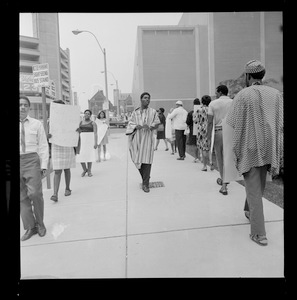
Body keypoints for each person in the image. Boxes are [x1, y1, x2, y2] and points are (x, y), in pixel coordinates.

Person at [225, 60, 283, 246]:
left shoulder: (243, 95)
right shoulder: (276, 94)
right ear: (262, 75)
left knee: (254, 190)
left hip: (250, 147)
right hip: (269, 146)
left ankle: (259, 234)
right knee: (258, 185)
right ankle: (249, 211)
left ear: (248, 76)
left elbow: (232, 122)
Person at [20, 95, 49, 241]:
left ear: (29, 107)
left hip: (32, 160)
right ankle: (30, 227)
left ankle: (40, 224)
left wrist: (44, 165)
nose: (22, 107)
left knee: (36, 194)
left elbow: (43, 145)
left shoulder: (36, 124)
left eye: (25, 105)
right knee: (22, 198)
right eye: (20, 105)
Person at [126, 92, 160, 193]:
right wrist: (135, 126)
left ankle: (145, 184)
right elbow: (130, 123)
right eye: (145, 98)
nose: (147, 100)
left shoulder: (153, 112)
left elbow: (157, 123)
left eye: (149, 98)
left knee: (147, 160)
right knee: (136, 159)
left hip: (147, 138)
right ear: (141, 99)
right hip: (137, 138)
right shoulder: (135, 112)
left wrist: (150, 126)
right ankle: (146, 176)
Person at [48, 100, 78, 202]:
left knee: (66, 168)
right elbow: (48, 133)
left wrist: (77, 132)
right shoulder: (50, 120)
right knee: (57, 170)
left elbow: (75, 129)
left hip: (67, 144)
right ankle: (55, 194)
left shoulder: (70, 118)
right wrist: (49, 136)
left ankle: (67, 188)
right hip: (56, 145)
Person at [207, 85, 233, 195]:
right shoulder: (233, 102)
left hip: (218, 132)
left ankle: (224, 184)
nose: (215, 94)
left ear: (220, 92)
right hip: (231, 132)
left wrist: (208, 137)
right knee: (228, 158)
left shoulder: (213, 104)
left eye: (216, 92)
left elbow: (209, 122)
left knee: (220, 158)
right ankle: (225, 180)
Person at [77, 109, 98, 177]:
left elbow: (95, 133)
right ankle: (84, 169)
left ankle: (89, 171)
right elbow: (78, 131)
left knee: (89, 156)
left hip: (89, 141)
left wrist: (95, 143)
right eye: (85, 113)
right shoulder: (80, 122)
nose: (86, 115)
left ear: (90, 115)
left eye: (88, 114)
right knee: (80, 156)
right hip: (81, 141)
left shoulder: (93, 123)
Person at [194, 95, 212, 171]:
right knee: (209, 147)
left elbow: (195, 120)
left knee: (203, 148)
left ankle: (205, 166)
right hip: (210, 128)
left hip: (201, 129)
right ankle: (211, 163)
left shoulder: (199, 110)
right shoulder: (211, 109)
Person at [192, 98, 202, 163]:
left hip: (197, 129)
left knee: (196, 144)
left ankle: (196, 157)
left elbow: (194, 120)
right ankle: (203, 158)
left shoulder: (195, 111)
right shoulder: (205, 109)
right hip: (205, 129)